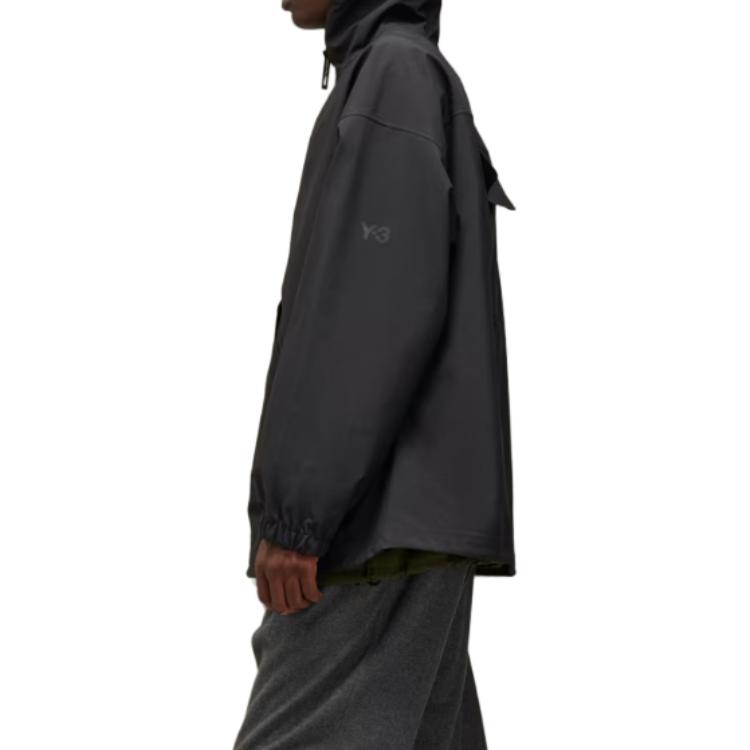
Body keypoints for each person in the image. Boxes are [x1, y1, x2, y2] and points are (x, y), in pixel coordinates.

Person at [233, 0, 516, 747]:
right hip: (410, 527)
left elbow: (368, 313)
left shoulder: (394, 75)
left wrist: (298, 520)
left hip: (372, 534)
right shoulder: (398, 74)